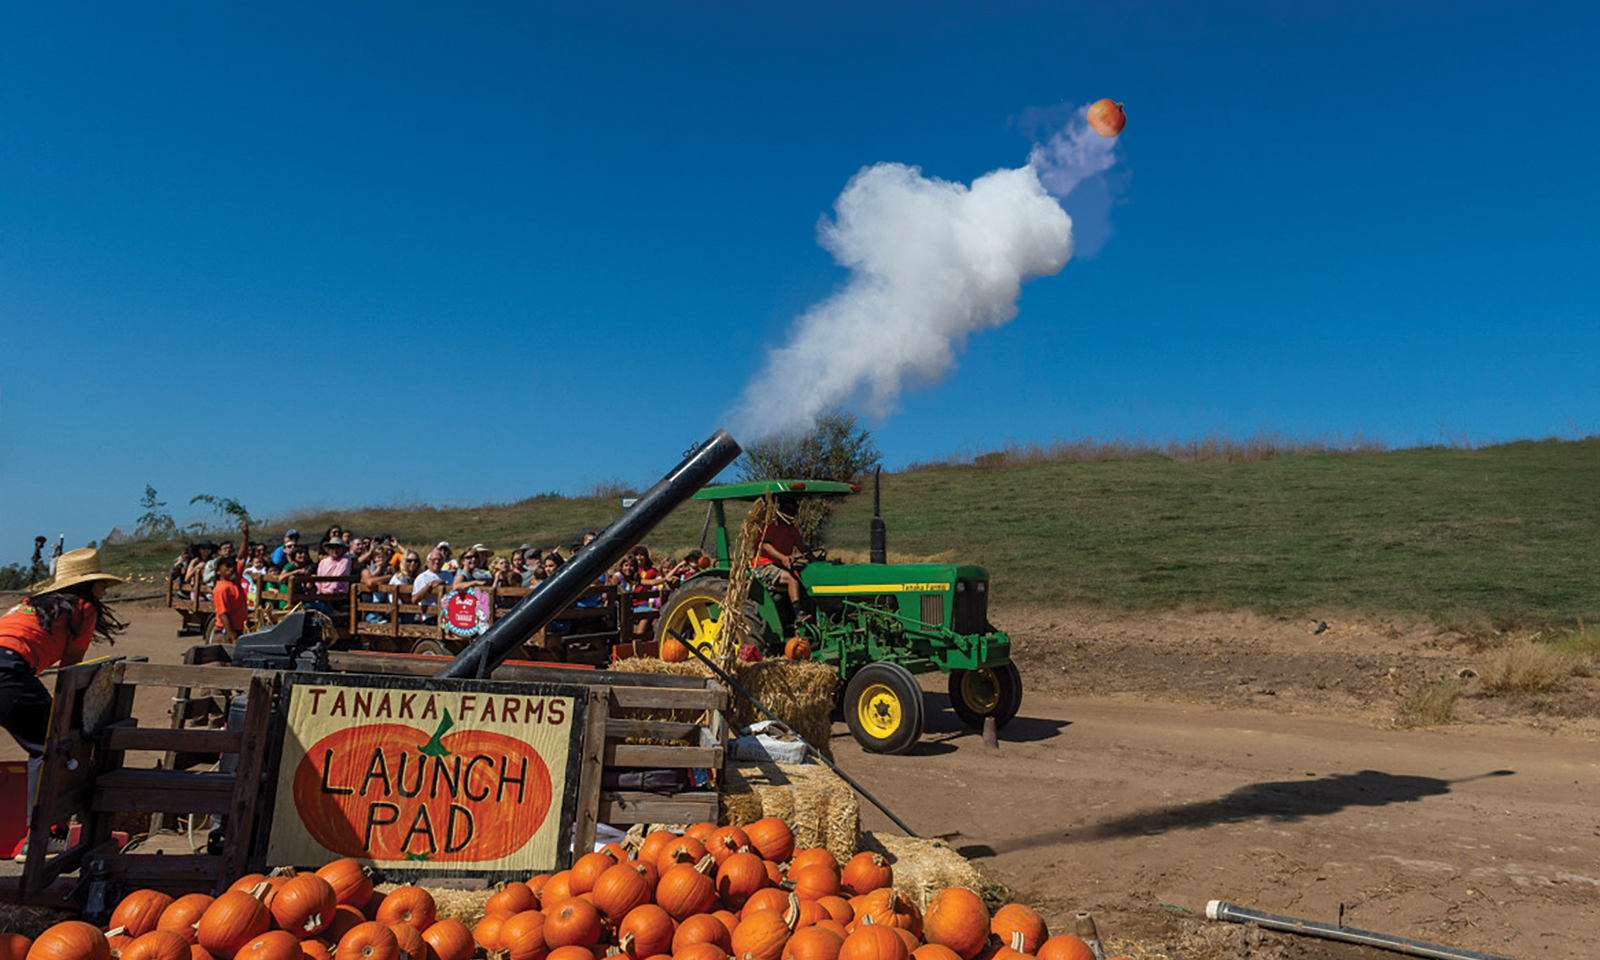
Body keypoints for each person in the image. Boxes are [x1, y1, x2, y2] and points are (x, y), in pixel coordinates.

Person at [0, 548, 126, 842]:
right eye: (101, 583)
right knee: (52, 746)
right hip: (7, 670)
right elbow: (71, 672)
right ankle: (43, 835)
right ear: (87, 585)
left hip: (9, 668)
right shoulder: (83, 609)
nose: (104, 589)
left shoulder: (29, 604)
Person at [753, 497, 808, 621]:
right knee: (791, 579)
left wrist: (816, 559)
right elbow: (765, 545)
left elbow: (802, 546)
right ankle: (798, 613)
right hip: (764, 566)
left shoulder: (792, 529)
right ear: (780, 510)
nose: (790, 514)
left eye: (794, 511)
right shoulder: (769, 527)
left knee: (806, 577)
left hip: (783, 566)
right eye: (788, 510)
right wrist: (783, 557)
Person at [210, 556, 249, 643]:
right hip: (226, 632)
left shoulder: (234, 582)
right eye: (227, 565)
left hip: (237, 630)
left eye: (233, 565)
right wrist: (233, 636)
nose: (232, 568)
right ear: (218, 571)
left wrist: (245, 541)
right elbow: (223, 615)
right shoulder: (221, 589)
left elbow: (242, 558)